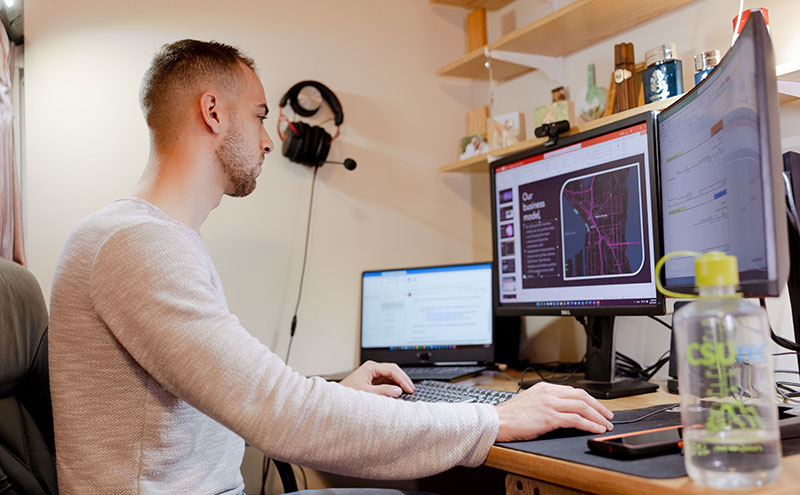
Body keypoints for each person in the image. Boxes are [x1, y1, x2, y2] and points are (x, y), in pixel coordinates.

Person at [49, 40, 613, 494]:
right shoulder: (137, 245)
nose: (268, 141)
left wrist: (342, 396)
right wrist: (496, 420)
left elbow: (246, 397)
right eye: (260, 115)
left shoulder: (144, 238)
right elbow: (277, 414)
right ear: (213, 112)